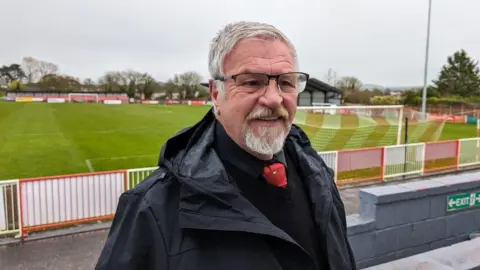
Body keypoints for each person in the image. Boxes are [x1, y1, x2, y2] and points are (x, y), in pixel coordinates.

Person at [95, 21, 356, 270]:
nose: (274, 99)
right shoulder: (151, 208)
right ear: (215, 94)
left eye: (286, 82)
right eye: (252, 82)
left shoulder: (318, 176)